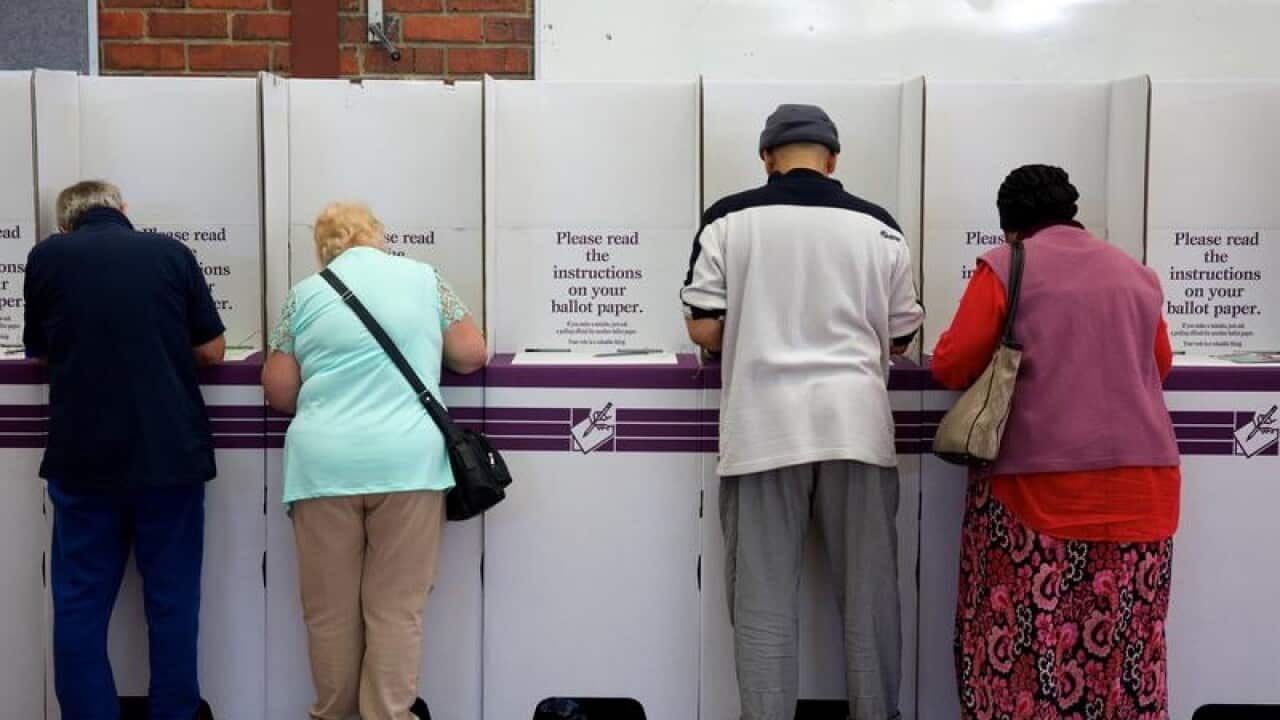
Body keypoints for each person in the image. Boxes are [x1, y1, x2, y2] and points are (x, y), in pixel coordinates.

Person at [681, 104, 924, 720]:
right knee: (870, 601)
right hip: (858, 427)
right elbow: (902, 334)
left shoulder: (728, 221)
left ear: (766, 158)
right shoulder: (880, 228)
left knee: (762, 605)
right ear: (832, 159)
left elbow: (704, 326)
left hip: (764, 427)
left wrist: (754, 328)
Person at [931, 164, 1181, 720]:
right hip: (1146, 494)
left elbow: (951, 363)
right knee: (1125, 651)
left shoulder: (1006, 266)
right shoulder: (1136, 274)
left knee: (1028, 648)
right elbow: (1157, 366)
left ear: (1011, 227)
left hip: (1038, 496)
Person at [261, 202, 486, 720]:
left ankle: (332, 714)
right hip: (409, 464)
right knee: (395, 611)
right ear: (378, 237)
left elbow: (278, 390)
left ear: (325, 248)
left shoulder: (305, 294)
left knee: (330, 615)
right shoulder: (426, 280)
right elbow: (471, 353)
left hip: (324, 468)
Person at [24, 180, 225, 720]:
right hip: (170, 455)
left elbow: (39, 351)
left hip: (82, 457)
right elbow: (211, 348)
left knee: (80, 604)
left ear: (64, 224)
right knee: (172, 600)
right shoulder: (171, 253)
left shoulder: (46, 258)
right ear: (123, 209)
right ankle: (175, 712)